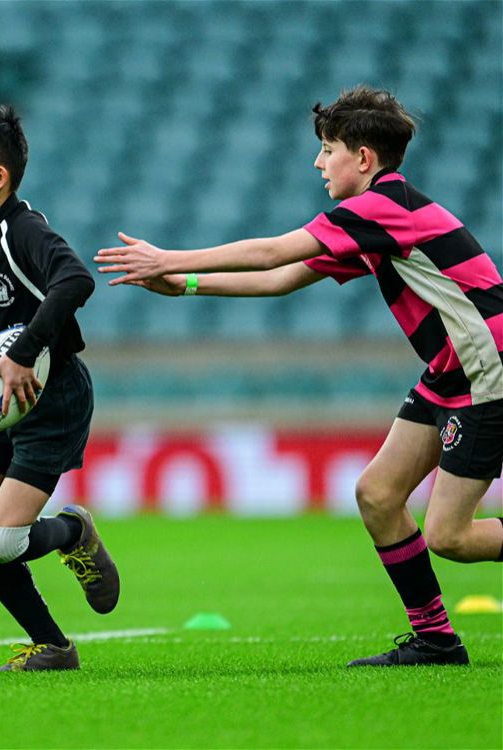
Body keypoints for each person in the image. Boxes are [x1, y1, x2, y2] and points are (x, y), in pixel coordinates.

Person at [95, 85, 502, 667]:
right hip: (449, 372)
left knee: (450, 536)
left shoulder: (381, 206)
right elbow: (280, 279)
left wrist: (172, 258)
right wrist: (181, 286)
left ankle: (436, 638)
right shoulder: (374, 220)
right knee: (378, 494)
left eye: (328, 149)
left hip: (487, 370)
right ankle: (436, 639)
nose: (318, 162)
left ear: (363, 158)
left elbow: (271, 254)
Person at [0, 106, 119, 672]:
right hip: (2, 409)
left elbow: (75, 280)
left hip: (54, 399)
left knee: (1, 540)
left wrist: (22, 354)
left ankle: (72, 532)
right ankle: (54, 645)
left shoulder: (23, 231)